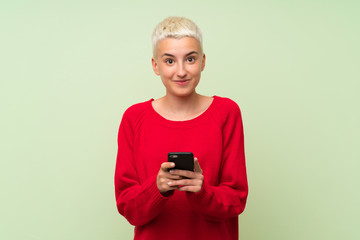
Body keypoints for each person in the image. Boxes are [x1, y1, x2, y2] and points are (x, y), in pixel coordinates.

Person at [114, 16, 248, 240]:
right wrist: (157, 188)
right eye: (169, 61)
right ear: (155, 65)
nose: (181, 71)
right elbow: (128, 207)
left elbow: (236, 200)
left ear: (203, 61)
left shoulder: (227, 113)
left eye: (190, 59)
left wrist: (202, 192)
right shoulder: (134, 118)